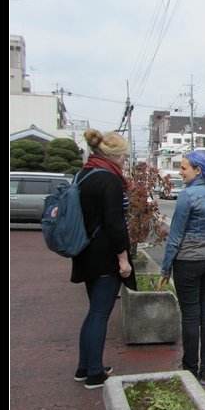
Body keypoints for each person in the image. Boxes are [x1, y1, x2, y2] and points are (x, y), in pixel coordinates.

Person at [71, 128, 136, 390]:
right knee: (100, 314)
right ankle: (95, 373)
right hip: (105, 255)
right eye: (124, 156)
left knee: (93, 312)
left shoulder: (84, 175)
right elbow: (115, 224)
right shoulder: (109, 180)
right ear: (115, 155)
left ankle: (84, 366)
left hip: (85, 251)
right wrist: (123, 259)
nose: (125, 161)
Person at [156, 151, 205, 386]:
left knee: (191, 315)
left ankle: (190, 369)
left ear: (198, 171)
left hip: (188, 262)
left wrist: (165, 270)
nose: (180, 172)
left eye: (184, 168)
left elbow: (175, 236)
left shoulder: (188, 195)